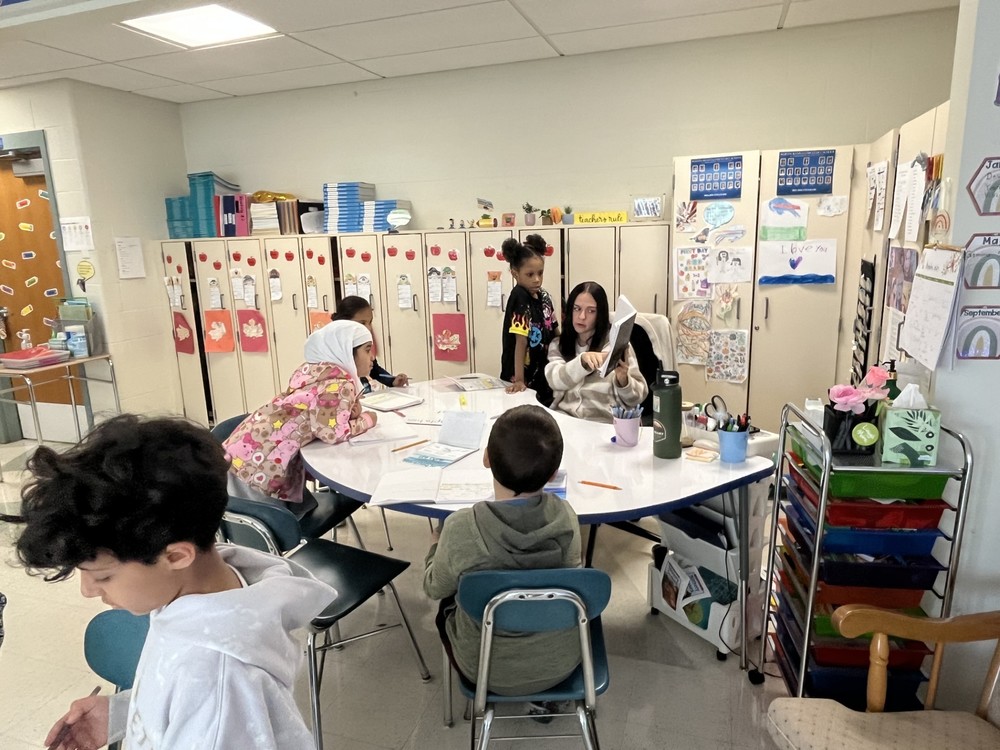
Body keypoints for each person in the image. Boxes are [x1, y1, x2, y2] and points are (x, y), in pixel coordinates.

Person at [2, 415, 336, 749]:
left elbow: (206, 702)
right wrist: (124, 713)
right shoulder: (201, 594)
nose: (88, 591)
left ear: (176, 556)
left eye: (102, 576)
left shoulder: (218, 680)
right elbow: (183, 694)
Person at [423, 405, 581, 697]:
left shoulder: (461, 527)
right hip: (560, 664)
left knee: (449, 600)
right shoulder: (566, 517)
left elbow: (434, 587)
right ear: (553, 474)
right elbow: (568, 578)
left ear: (486, 458)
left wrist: (435, 547)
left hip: (482, 669)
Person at [223, 319, 377, 507]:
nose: (372, 357)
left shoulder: (318, 373)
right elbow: (332, 433)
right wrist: (367, 420)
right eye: (367, 350)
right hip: (257, 468)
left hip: (244, 454)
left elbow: (319, 415)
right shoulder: (339, 384)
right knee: (266, 527)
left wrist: (348, 414)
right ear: (346, 351)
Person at [545, 282, 647, 423]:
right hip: (567, 421)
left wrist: (623, 381)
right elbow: (555, 381)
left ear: (600, 314)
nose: (581, 316)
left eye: (591, 311)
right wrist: (583, 361)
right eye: (577, 308)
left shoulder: (615, 345)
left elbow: (637, 398)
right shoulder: (558, 344)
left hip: (603, 423)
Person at [499, 235, 558, 405]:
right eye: (530, 274)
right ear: (515, 274)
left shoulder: (544, 296)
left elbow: (554, 330)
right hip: (521, 375)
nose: (537, 279)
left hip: (542, 371)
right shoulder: (519, 297)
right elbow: (521, 341)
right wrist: (519, 380)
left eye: (540, 273)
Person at [333, 295, 409, 390]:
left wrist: (392, 381)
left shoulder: (363, 341)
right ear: (344, 322)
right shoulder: (334, 349)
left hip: (365, 397)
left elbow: (374, 370)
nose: (368, 328)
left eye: (370, 322)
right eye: (362, 323)